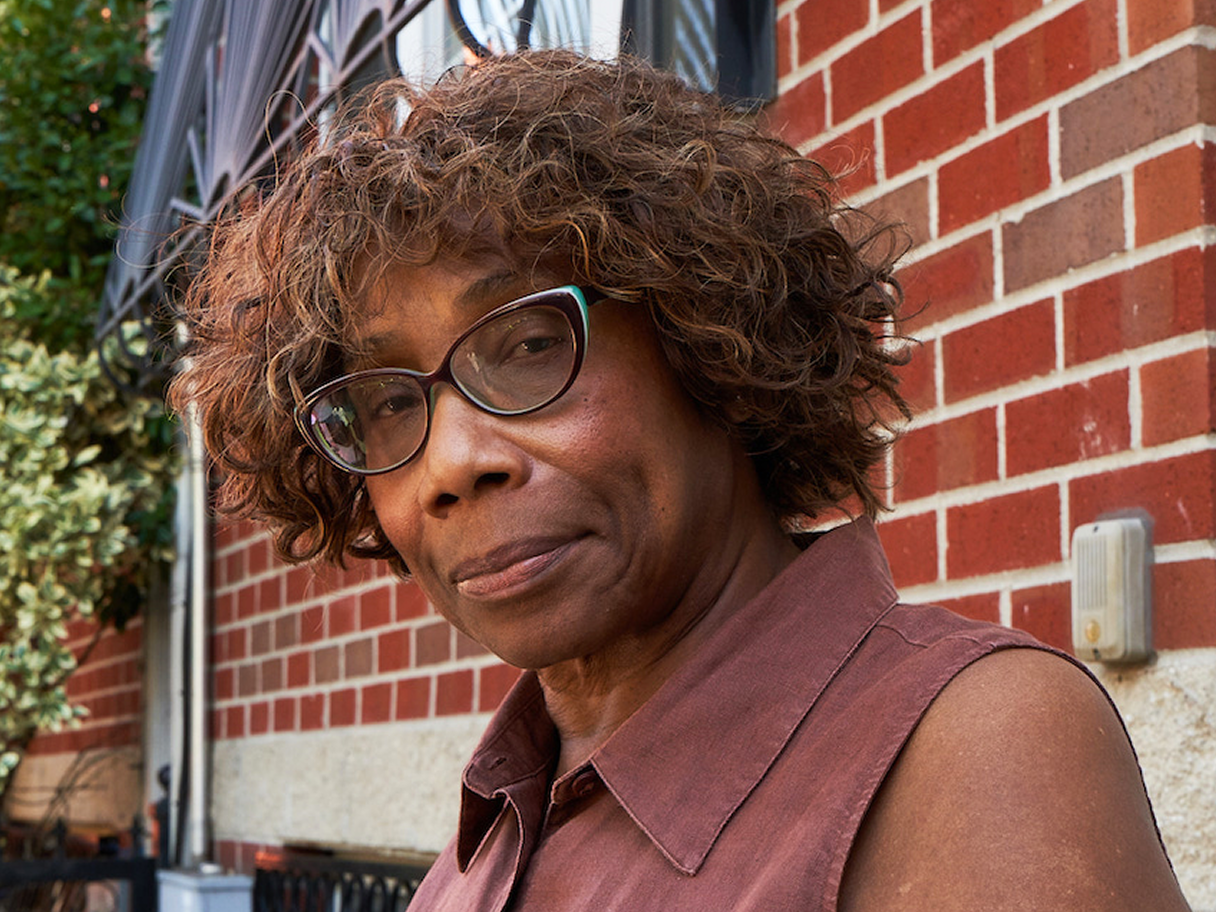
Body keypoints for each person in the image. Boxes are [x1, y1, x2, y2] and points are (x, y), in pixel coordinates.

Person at [170, 50, 1190, 911]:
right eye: (390, 402)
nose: (450, 464)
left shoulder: (965, 753)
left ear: (713, 341)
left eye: (527, 344)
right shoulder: (490, 835)